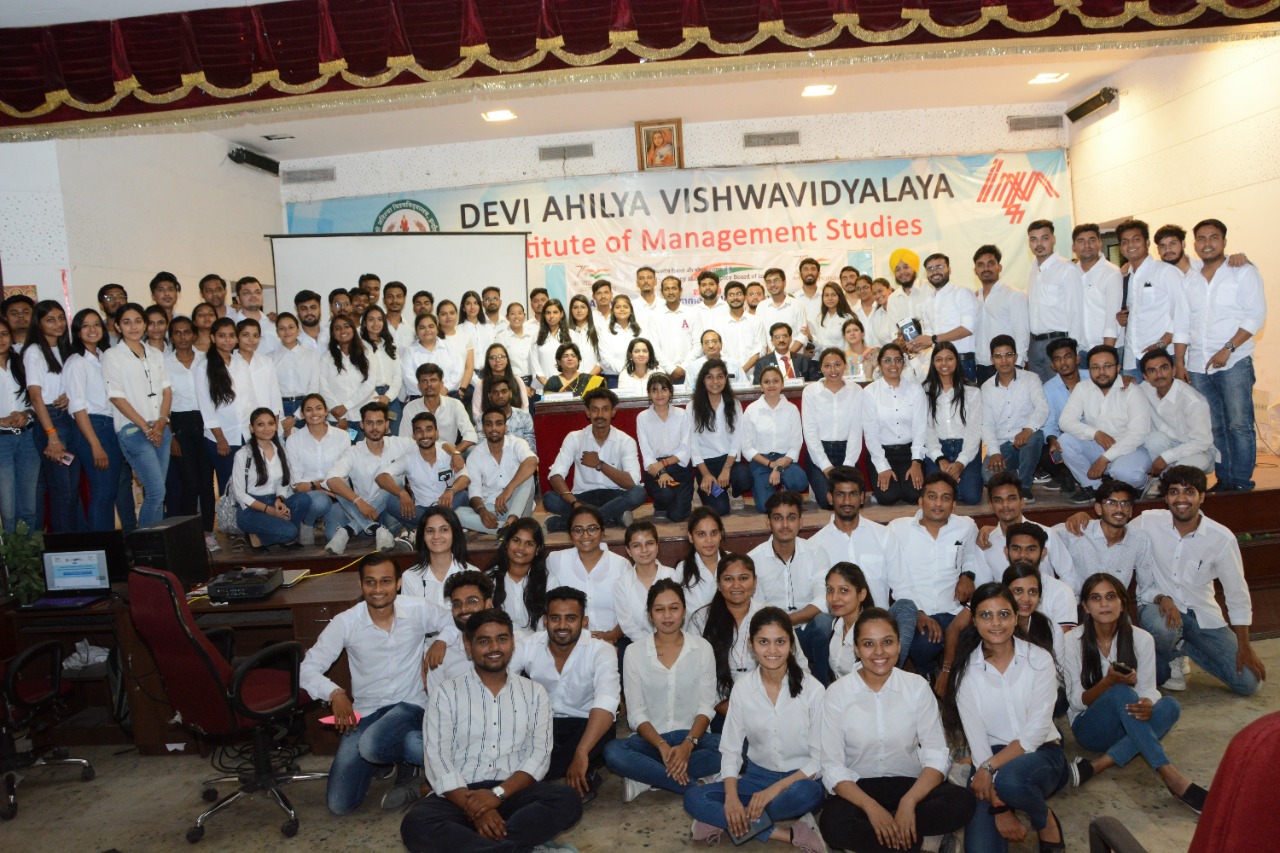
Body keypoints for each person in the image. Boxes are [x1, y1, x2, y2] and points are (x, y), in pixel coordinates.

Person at [399, 609, 584, 853]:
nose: (494, 647)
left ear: (512, 643)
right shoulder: (445, 693)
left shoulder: (534, 693)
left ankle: (478, 844)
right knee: (415, 824)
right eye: (484, 641)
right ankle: (519, 847)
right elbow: (438, 760)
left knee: (567, 800)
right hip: (459, 796)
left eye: (502, 639)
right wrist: (477, 809)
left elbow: (538, 757)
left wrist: (496, 795)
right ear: (468, 645)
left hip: (513, 792)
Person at [300, 553, 453, 815]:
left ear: (398, 583)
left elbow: (453, 620)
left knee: (371, 745)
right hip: (368, 710)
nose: (378, 589)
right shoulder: (346, 621)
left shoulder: (417, 609)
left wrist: (442, 640)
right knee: (339, 804)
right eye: (370, 582)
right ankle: (393, 758)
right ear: (361, 584)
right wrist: (335, 693)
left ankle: (400, 763)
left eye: (385, 581)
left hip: (411, 705)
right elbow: (307, 669)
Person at [819, 608, 975, 853]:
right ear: (856, 649)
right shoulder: (837, 694)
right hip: (860, 788)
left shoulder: (917, 687)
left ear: (899, 645)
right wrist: (872, 808)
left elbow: (936, 752)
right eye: (868, 644)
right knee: (833, 824)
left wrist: (909, 802)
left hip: (910, 785)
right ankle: (915, 840)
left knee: (961, 802)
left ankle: (891, 835)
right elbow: (832, 766)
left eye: (887, 642)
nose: (879, 652)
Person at [1060, 572, 1209, 812]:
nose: (1104, 604)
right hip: (1090, 728)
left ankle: (1098, 765)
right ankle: (1171, 776)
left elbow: (1148, 689)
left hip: (1128, 725)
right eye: (1096, 598)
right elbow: (1076, 702)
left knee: (1170, 705)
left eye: (1111, 597)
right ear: (1085, 607)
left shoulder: (1142, 638)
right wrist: (1108, 682)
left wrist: (1147, 702)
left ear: (1122, 603)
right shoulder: (1071, 641)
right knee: (1121, 691)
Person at [684, 607, 828, 850]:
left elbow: (820, 759)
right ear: (751, 644)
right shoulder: (743, 688)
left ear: (791, 644)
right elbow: (730, 749)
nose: (772, 650)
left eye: (780, 641)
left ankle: (724, 820)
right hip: (757, 778)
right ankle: (786, 834)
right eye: (763, 642)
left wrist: (775, 789)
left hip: (798, 780)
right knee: (694, 797)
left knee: (807, 794)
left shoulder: (813, 690)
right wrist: (731, 798)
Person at [942, 582, 1068, 853]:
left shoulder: (1039, 660)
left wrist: (989, 770)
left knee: (1012, 780)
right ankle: (1011, 799)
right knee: (980, 850)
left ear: (1015, 616)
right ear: (974, 621)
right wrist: (999, 807)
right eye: (986, 615)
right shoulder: (967, 672)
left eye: (1003, 614)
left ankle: (1044, 820)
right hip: (989, 757)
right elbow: (977, 741)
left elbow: (1036, 732)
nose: (996, 623)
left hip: (1041, 753)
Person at [1130, 465, 1263, 695]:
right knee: (1164, 629)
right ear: (1166, 498)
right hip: (1158, 608)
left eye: (1189, 491)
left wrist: (1244, 646)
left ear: (1201, 497)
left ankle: (1185, 646)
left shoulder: (1221, 538)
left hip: (1202, 616)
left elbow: (1237, 594)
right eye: (1174, 492)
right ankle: (1174, 655)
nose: (1181, 499)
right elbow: (1112, 530)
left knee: (1249, 684)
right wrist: (1080, 519)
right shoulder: (1147, 522)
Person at [604, 579, 720, 800]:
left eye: (674, 608)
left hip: (693, 739)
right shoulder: (634, 652)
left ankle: (648, 776)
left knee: (734, 748)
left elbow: (707, 706)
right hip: (651, 742)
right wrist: (662, 746)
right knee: (614, 752)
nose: (667, 616)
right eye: (659, 609)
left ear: (684, 611)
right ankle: (692, 782)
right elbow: (636, 713)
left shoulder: (702, 648)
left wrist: (687, 745)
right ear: (650, 614)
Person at [509, 586, 620, 801]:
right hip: (543, 724)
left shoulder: (601, 650)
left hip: (585, 725)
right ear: (545, 620)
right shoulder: (528, 646)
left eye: (570, 618)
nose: (562, 626)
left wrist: (581, 752)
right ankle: (576, 772)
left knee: (604, 732)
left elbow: (606, 703)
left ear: (584, 622)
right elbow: (503, 684)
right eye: (555, 618)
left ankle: (533, 775)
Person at [1184, 218, 1265, 492]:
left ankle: (1241, 482)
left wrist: (1227, 349)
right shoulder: (1191, 277)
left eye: (1213, 237)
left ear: (1224, 241)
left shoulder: (1242, 271)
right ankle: (1225, 479)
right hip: (1199, 364)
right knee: (1216, 426)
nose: (1207, 243)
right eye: (1201, 238)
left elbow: (1255, 316)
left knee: (1239, 424)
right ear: (1195, 244)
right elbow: (1185, 321)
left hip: (1234, 361)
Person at [808, 467, 917, 668]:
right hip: (838, 625)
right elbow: (819, 597)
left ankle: (891, 670)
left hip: (880, 625)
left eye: (853, 494)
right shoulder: (815, 545)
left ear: (862, 498)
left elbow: (903, 586)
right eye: (840, 494)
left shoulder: (883, 535)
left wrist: (920, 614)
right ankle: (825, 682)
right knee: (821, 621)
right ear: (830, 498)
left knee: (907, 607)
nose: (847, 501)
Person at [887, 472, 981, 678]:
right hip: (920, 611)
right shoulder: (898, 529)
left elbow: (971, 554)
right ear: (920, 501)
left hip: (953, 610)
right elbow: (897, 579)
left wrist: (968, 575)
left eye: (945, 498)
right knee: (923, 644)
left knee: (974, 641)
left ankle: (954, 675)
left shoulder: (966, 526)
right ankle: (926, 673)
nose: (938, 503)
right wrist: (917, 613)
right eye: (932, 496)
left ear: (954, 505)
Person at [103, 303, 173, 528]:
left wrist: (162, 422)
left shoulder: (155, 354)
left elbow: (167, 391)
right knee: (156, 491)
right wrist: (146, 427)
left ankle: (156, 541)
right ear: (117, 326)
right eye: (127, 322)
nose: (133, 327)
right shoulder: (113, 355)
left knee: (159, 493)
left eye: (138, 321)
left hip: (160, 428)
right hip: (134, 431)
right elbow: (116, 397)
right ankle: (145, 543)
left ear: (145, 325)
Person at [749, 492, 832, 681]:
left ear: (801, 522)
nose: (785, 525)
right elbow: (757, 608)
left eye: (791, 518)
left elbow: (823, 600)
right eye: (778, 518)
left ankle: (821, 684)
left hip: (807, 630)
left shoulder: (815, 553)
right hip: (772, 634)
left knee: (824, 622)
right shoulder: (753, 560)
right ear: (768, 523)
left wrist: (789, 620)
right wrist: (780, 626)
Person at [1058, 344, 1152, 502]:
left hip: (1131, 449)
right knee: (1065, 441)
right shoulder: (1083, 388)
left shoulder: (1132, 391)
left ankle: (1141, 485)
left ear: (1118, 368)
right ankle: (1093, 487)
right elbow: (1065, 421)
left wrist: (1105, 459)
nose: (1101, 372)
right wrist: (1095, 433)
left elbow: (1138, 434)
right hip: (1098, 445)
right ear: (1089, 370)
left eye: (1107, 366)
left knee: (1125, 474)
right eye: (1095, 367)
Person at [543, 387, 645, 532]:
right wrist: (574, 503)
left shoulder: (626, 441)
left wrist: (599, 464)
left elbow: (631, 482)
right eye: (595, 410)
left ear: (613, 412)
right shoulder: (574, 438)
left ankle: (566, 522)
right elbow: (555, 476)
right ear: (587, 412)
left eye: (605, 409)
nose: (600, 415)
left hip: (615, 496)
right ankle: (612, 517)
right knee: (549, 498)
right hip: (582, 497)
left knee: (639, 493)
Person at [324, 402, 415, 554]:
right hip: (362, 511)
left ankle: (348, 530)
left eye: (379, 422)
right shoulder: (353, 452)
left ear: (387, 424)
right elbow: (331, 480)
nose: (374, 428)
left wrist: (455, 453)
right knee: (339, 483)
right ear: (362, 425)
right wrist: (359, 502)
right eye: (369, 423)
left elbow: (434, 445)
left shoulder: (401, 444)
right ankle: (376, 529)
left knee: (395, 481)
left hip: (390, 515)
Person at [26, 300, 85, 532]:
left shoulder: (65, 349)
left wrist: (69, 396)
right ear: (38, 324)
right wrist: (51, 436)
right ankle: (62, 548)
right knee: (63, 491)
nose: (58, 324)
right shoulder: (34, 351)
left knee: (72, 490)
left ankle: (76, 544)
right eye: (50, 320)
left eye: (61, 318)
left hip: (70, 419)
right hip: (51, 422)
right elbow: (35, 396)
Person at [691, 553, 767, 727]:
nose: (736, 585)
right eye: (728, 579)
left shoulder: (771, 616)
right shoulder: (701, 620)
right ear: (718, 584)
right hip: (720, 708)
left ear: (755, 581)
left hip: (766, 705)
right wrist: (731, 711)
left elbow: (797, 664)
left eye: (743, 578)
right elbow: (697, 676)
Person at [65, 309, 122, 533]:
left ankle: (108, 545)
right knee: (102, 492)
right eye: (86, 325)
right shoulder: (76, 362)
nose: (92, 329)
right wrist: (95, 445)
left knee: (109, 492)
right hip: (92, 428)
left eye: (97, 324)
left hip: (110, 426)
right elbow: (77, 407)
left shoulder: (104, 357)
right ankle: (101, 547)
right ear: (77, 331)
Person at [1114, 219, 1188, 380]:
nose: (1130, 245)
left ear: (1147, 242)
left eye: (1136, 239)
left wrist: (1161, 344)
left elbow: (1182, 313)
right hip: (1132, 356)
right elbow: (1133, 312)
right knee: (1132, 397)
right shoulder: (1127, 276)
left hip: (1162, 356)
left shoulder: (1166, 272)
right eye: (1125, 242)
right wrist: (1120, 317)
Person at [546, 503, 629, 645]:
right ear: (570, 534)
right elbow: (549, 607)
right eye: (578, 530)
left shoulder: (621, 565)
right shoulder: (556, 560)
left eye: (592, 529)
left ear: (602, 531)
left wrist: (612, 636)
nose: (585, 535)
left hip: (614, 640)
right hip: (570, 643)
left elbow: (630, 610)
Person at [1053, 479, 1154, 595]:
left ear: (1130, 510)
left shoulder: (1139, 539)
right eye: (1111, 503)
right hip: (1078, 602)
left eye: (1125, 504)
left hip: (1116, 604)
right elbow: (1042, 534)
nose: (1119, 509)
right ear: (1098, 508)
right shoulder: (1078, 531)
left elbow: (1146, 585)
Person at [974, 473, 1075, 586]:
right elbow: (983, 586)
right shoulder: (985, 543)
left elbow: (1070, 577)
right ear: (991, 506)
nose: (1005, 505)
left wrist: (1053, 596)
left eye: (1011, 499)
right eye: (998, 500)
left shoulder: (1047, 534)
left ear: (1022, 503)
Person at [979, 334, 1047, 501]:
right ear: (992, 360)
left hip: (1026, 441)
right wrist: (995, 452)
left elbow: (1043, 408)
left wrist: (1028, 429)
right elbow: (986, 424)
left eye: (1008, 355)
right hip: (1003, 446)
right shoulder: (986, 388)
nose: (1004, 360)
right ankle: (1017, 475)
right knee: (988, 476)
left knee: (1035, 437)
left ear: (1016, 357)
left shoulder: (1031, 379)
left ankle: (1024, 487)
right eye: (998, 356)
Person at [377, 411, 470, 531]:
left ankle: (422, 529)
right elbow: (381, 477)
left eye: (429, 429)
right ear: (414, 436)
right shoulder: (408, 458)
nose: (424, 435)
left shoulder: (448, 453)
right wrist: (402, 493)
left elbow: (466, 478)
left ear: (436, 433)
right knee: (391, 502)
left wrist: (451, 490)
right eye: (419, 430)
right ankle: (440, 525)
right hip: (421, 509)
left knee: (463, 495)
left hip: (448, 503)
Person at [1138, 348, 1216, 492]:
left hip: (1196, 451)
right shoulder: (1144, 389)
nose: (1159, 375)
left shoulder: (1193, 401)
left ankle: (1165, 482)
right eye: (1152, 371)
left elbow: (1202, 442)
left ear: (1174, 370)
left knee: (1182, 471)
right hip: (1165, 445)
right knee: (1153, 439)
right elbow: (1122, 390)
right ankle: (1163, 481)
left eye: (1164, 368)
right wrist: (1125, 380)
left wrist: (1166, 458)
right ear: (1145, 376)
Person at [232, 408, 309, 549]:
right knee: (290, 532)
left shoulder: (281, 450)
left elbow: (283, 482)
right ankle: (263, 534)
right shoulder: (242, 455)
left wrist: (279, 500)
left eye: (271, 423)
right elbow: (239, 494)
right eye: (260, 424)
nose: (267, 428)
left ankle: (271, 534)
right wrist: (269, 510)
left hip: (273, 501)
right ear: (252, 428)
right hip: (251, 509)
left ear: (276, 426)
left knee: (303, 499)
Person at [456, 406, 538, 536]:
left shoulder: (517, 443)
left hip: (520, 507)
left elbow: (532, 462)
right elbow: (474, 493)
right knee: (458, 514)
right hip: (492, 509)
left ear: (506, 428)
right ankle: (508, 529)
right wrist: (482, 512)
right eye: (489, 424)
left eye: (498, 423)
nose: (494, 428)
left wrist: (508, 489)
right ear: (483, 429)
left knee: (527, 476)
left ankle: (511, 522)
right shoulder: (475, 455)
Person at [863, 343, 927, 506]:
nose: (893, 365)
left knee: (914, 496)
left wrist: (916, 462)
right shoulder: (870, 392)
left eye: (897, 360)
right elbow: (870, 433)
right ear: (879, 363)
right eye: (887, 360)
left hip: (909, 453)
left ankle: (903, 486)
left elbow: (920, 428)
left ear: (903, 363)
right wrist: (882, 466)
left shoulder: (915, 389)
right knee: (888, 498)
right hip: (883, 452)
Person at [801, 348, 864, 508]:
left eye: (837, 364)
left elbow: (856, 431)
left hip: (846, 451)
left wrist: (848, 465)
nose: (833, 370)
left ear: (844, 365)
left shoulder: (856, 390)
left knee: (852, 500)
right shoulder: (811, 391)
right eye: (827, 366)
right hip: (819, 452)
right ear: (821, 368)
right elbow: (810, 432)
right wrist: (826, 466)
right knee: (828, 502)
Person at [923, 342, 983, 506]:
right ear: (933, 363)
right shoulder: (925, 392)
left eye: (949, 358)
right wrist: (940, 459)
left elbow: (974, 431)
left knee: (971, 497)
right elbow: (926, 431)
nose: (944, 364)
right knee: (936, 495)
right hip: (937, 450)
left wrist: (960, 462)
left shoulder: (972, 391)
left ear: (957, 360)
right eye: (939, 359)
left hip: (966, 449)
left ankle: (955, 487)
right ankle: (953, 488)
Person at [284, 393, 348, 546]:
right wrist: (322, 487)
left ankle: (324, 521)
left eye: (319, 408)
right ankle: (307, 523)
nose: (314, 413)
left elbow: (343, 473)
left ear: (326, 411)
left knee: (334, 536)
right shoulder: (293, 440)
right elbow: (297, 484)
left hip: (336, 494)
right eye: (309, 410)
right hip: (310, 496)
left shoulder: (342, 436)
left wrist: (319, 485)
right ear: (302, 414)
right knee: (320, 502)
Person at [690, 359, 752, 515]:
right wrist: (706, 474)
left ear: (725, 379)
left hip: (728, 461)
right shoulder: (692, 407)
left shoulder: (734, 404)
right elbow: (693, 444)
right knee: (720, 509)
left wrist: (726, 469)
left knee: (745, 479)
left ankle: (731, 490)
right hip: (706, 464)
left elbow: (737, 440)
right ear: (703, 380)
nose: (715, 382)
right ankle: (705, 486)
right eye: (709, 377)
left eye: (719, 376)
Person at [1024, 219, 1083, 382]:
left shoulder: (1067, 269)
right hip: (1034, 345)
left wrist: (1074, 350)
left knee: (1063, 391)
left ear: (1053, 239)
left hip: (1059, 344)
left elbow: (1076, 312)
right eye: (1033, 239)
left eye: (1044, 238)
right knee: (1040, 393)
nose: (1039, 244)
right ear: (1029, 243)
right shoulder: (1033, 269)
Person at [742, 367, 808, 510]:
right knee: (765, 507)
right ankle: (770, 490)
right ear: (761, 386)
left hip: (785, 461)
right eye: (766, 382)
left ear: (782, 384)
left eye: (775, 381)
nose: (771, 385)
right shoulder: (751, 410)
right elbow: (746, 448)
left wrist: (778, 467)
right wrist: (771, 464)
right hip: (761, 462)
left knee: (799, 481)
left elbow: (796, 444)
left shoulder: (791, 409)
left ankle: (785, 489)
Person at [908, 253, 978, 383]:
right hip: (937, 363)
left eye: (939, 267)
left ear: (949, 269)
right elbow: (929, 336)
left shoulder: (963, 293)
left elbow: (968, 329)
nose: (935, 272)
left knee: (967, 396)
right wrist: (920, 345)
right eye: (930, 269)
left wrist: (933, 339)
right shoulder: (926, 303)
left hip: (962, 361)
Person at [636, 372, 694, 522]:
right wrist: (662, 471)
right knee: (665, 495)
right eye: (654, 390)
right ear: (649, 394)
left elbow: (685, 450)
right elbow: (646, 452)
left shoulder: (682, 415)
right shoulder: (642, 417)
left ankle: (680, 499)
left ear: (670, 392)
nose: (659, 394)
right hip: (654, 468)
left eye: (664, 389)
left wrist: (664, 464)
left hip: (679, 466)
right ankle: (661, 505)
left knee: (677, 516)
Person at [196, 316, 245, 493]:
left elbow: (248, 398)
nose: (227, 340)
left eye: (231, 335)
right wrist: (221, 438)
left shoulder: (240, 362)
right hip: (223, 437)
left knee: (246, 484)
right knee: (228, 487)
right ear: (213, 338)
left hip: (244, 434)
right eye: (222, 336)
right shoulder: (203, 366)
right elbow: (206, 408)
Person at [0, 317, 39, 533]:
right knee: (7, 509)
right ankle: (11, 553)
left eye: (4, 334)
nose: (1, 339)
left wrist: (27, 413)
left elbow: (36, 399)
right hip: (1, 442)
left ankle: (30, 551)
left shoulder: (21, 363)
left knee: (29, 506)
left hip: (27, 439)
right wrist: (1, 421)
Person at [973, 244, 1029, 387]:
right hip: (980, 366)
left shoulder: (1013, 295)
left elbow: (1022, 332)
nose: (986, 268)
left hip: (1007, 365)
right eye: (981, 265)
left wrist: (1018, 364)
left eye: (991, 263)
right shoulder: (974, 299)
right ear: (975, 270)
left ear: (1000, 267)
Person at [614, 520, 677, 646]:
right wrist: (650, 646)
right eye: (636, 545)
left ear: (657, 546)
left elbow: (680, 614)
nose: (644, 550)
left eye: (649, 543)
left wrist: (665, 644)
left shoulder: (673, 576)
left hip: (673, 641)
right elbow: (627, 624)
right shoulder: (622, 584)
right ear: (628, 550)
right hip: (637, 644)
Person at [401, 506, 480, 606]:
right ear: (422, 536)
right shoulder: (410, 577)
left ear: (454, 533)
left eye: (444, 530)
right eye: (430, 531)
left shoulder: (473, 574)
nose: (436, 536)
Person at [400, 363, 477, 460]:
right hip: (420, 458)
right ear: (419, 386)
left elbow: (471, 436)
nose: (429, 385)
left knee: (473, 451)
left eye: (433, 380)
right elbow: (404, 441)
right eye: (424, 381)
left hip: (449, 457)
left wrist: (454, 453)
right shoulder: (410, 408)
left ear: (441, 384)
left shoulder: (455, 405)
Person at [1071, 224, 1123, 364]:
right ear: (1073, 247)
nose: (1087, 245)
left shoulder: (1112, 273)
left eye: (1092, 240)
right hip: (1080, 351)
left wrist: (1106, 353)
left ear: (1099, 243)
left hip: (1109, 348)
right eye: (1081, 241)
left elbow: (1112, 318)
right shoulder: (1071, 273)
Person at [487, 517, 549, 633]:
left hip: (539, 642)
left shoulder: (548, 580)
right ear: (507, 543)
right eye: (516, 540)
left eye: (529, 544)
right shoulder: (489, 579)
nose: (521, 548)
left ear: (537, 550)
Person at [320, 314, 376, 435]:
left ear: (353, 329)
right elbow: (323, 387)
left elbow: (370, 384)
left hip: (361, 416)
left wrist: (345, 406)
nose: (342, 331)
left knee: (362, 447)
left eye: (346, 326)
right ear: (333, 333)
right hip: (336, 418)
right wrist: (341, 415)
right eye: (337, 328)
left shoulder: (366, 354)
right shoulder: (326, 358)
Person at [1040, 336, 1082, 493]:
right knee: (1045, 452)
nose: (1063, 362)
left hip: (1094, 438)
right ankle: (1065, 474)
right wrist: (1052, 440)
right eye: (1057, 359)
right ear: (1052, 366)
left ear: (1077, 359)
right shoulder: (1048, 388)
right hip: (1065, 442)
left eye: (1067, 356)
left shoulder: (1092, 378)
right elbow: (1049, 423)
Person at [230, 318, 283, 439]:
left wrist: (274, 424)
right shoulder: (230, 363)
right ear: (237, 337)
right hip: (242, 425)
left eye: (255, 335)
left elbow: (274, 395)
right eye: (246, 335)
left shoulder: (266, 362)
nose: (251, 340)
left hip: (267, 425)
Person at [274, 312, 321, 434]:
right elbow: (270, 391)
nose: (287, 331)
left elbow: (314, 387)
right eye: (282, 328)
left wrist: (296, 417)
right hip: (279, 408)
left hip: (305, 407)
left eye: (291, 327)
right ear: (277, 332)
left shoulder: (311, 355)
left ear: (298, 330)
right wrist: (281, 417)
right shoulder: (269, 358)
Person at [676, 506, 726, 618]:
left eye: (714, 533)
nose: (709, 540)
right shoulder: (682, 570)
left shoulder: (734, 563)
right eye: (701, 534)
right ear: (690, 537)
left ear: (721, 534)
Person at [361, 306, 403, 432]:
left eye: (379, 319)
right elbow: (359, 377)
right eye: (371, 319)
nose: (376, 323)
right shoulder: (359, 347)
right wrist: (376, 398)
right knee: (371, 435)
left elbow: (397, 375)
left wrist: (388, 397)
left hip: (391, 397)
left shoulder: (391, 345)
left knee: (393, 436)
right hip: (368, 396)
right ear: (364, 323)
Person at [400, 313, 459, 399]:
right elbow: (408, 378)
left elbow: (457, 371)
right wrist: (428, 392)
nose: (427, 330)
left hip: (448, 394)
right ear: (416, 331)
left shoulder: (450, 347)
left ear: (437, 329)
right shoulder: (409, 352)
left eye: (431, 326)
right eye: (422, 327)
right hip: (419, 397)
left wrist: (445, 389)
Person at [648, 276, 696, 383]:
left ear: (680, 291)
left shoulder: (692, 313)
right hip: (664, 373)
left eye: (674, 288)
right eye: (667, 289)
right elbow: (654, 347)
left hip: (690, 372)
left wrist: (683, 367)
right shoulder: (655, 316)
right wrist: (671, 369)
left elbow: (698, 345)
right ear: (662, 292)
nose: (670, 292)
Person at [470, 343, 531, 420]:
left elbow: (525, 408)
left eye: (501, 357)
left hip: (517, 424)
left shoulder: (517, 381)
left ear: (507, 360)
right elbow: (476, 413)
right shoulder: (481, 384)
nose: (497, 360)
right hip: (489, 425)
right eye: (493, 357)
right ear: (488, 361)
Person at [756, 269, 810, 355]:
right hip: (769, 359)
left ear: (784, 282)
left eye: (776, 280)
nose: (772, 284)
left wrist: (787, 355)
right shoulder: (761, 306)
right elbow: (760, 336)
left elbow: (803, 334)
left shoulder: (797, 305)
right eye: (769, 282)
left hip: (794, 357)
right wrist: (773, 357)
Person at [477, 375, 535, 453]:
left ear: (510, 393)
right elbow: (481, 447)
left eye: (504, 391)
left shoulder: (524, 416)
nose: (500, 396)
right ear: (490, 396)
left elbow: (531, 447)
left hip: (521, 457)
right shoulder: (482, 419)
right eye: (495, 392)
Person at [719, 281, 764, 380]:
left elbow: (759, 350)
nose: (735, 298)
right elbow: (720, 352)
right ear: (726, 298)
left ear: (745, 297)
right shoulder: (720, 324)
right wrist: (735, 371)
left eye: (739, 294)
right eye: (731, 295)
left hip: (754, 374)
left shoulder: (756, 321)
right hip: (729, 375)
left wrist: (742, 370)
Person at [228, 277, 280, 356]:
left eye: (257, 292)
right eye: (247, 293)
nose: (253, 296)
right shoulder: (231, 325)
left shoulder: (275, 323)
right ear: (238, 299)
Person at [436, 300, 476, 402]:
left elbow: (469, 367)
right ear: (438, 317)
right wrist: (440, 390)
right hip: (436, 390)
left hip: (458, 390)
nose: (448, 317)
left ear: (457, 315)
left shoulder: (465, 336)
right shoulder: (433, 338)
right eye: (443, 314)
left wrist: (462, 389)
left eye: (452, 313)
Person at [600, 293, 643, 385]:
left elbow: (644, 353)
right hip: (613, 378)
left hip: (638, 376)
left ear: (631, 310)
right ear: (613, 311)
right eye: (618, 307)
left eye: (625, 307)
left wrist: (637, 369)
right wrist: (628, 369)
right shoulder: (605, 331)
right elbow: (604, 358)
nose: (622, 309)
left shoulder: (639, 330)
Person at [531, 298, 572, 390]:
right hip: (543, 386)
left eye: (555, 312)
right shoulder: (536, 337)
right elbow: (534, 363)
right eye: (548, 313)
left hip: (567, 386)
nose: (551, 316)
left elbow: (575, 362)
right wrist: (547, 384)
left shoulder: (571, 335)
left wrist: (565, 384)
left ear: (561, 314)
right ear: (544, 315)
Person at [494, 303, 534, 385]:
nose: (516, 316)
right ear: (507, 317)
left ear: (524, 316)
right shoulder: (501, 338)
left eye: (519, 313)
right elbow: (499, 364)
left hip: (534, 382)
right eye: (512, 314)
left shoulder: (532, 335)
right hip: (512, 382)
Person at [566, 294, 603, 380]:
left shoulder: (598, 331)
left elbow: (602, 359)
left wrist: (588, 377)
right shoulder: (566, 333)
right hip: (571, 380)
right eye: (575, 307)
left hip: (594, 379)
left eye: (583, 307)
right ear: (571, 311)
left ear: (588, 310)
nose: (579, 311)